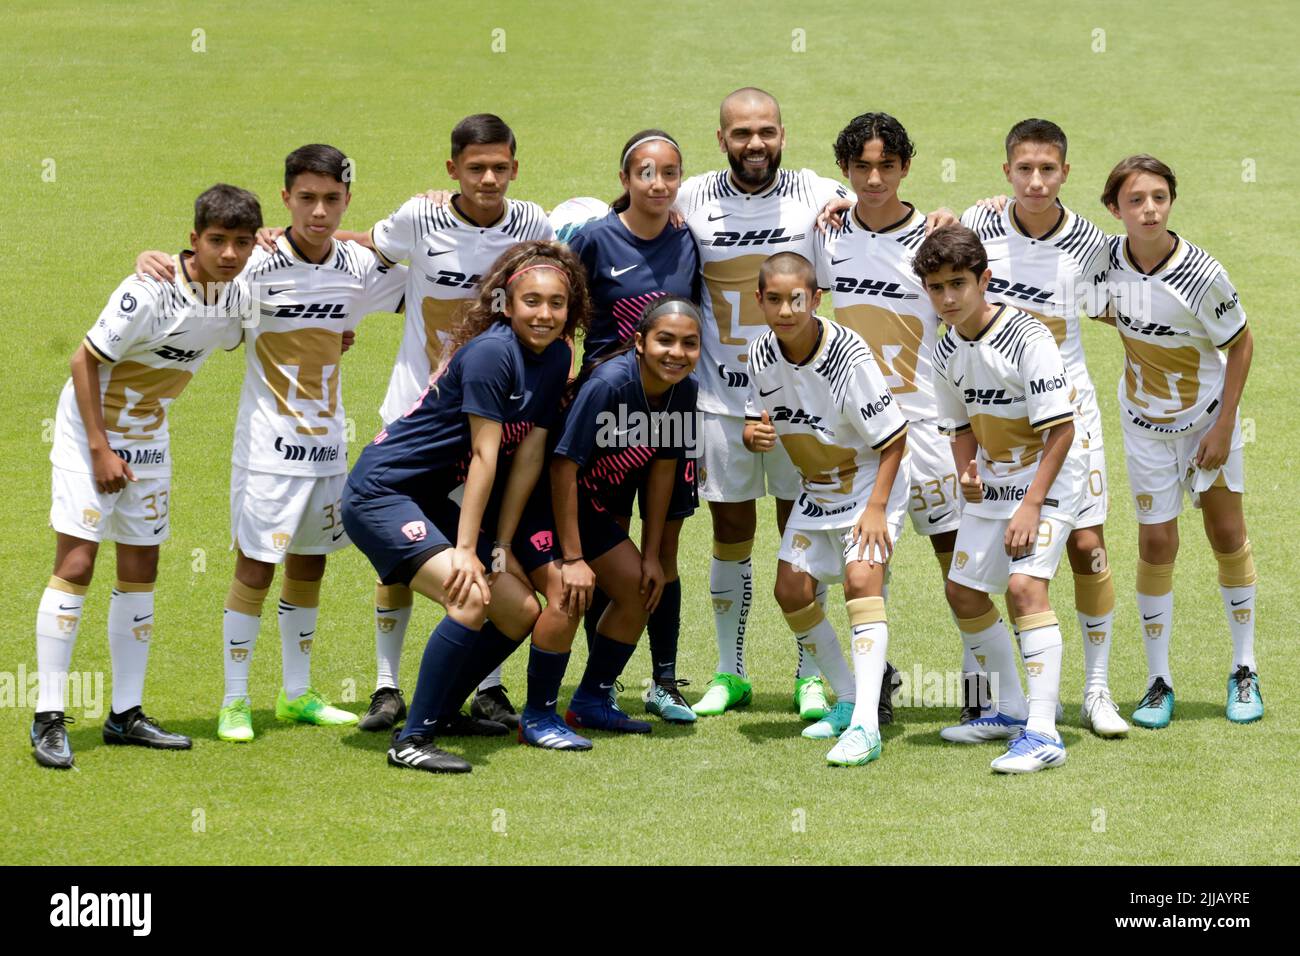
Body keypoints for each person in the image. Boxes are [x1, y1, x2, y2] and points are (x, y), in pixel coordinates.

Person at [136, 144, 408, 742]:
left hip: (330, 444)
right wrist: (157, 257)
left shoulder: (358, 266)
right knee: (255, 568)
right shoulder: (255, 263)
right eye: (306, 198)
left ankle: (296, 695)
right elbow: (198, 271)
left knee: (310, 565)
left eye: (331, 200)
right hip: (268, 449)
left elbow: (429, 285)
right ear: (285, 198)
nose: (319, 212)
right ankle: (235, 700)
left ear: (346, 202)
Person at [31, 184, 261, 768]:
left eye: (241, 242)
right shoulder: (148, 291)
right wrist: (100, 449)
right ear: (193, 240)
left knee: (142, 565)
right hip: (90, 435)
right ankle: (49, 715)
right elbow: (82, 359)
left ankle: (125, 715)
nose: (229, 254)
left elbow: (308, 243)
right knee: (78, 562)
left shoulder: (243, 295)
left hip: (149, 439)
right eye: (216, 241)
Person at [342, 240, 581, 772]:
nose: (544, 314)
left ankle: (442, 710)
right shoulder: (492, 353)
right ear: (506, 303)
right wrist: (470, 550)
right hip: (380, 493)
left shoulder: (559, 354)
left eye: (557, 303)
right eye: (532, 302)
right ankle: (411, 740)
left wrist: (501, 546)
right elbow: (483, 456)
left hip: (424, 499)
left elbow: (531, 455)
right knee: (469, 596)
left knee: (520, 609)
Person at [677, 87, 847, 718]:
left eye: (767, 132)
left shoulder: (815, 191)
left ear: (783, 133)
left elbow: (879, 205)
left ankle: (809, 673)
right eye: (742, 133)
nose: (755, 144)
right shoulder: (690, 195)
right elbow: (615, 214)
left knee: (802, 535)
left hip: (802, 404)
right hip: (721, 403)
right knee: (730, 532)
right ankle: (731, 670)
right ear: (721, 138)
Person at [960, 119, 1126, 736]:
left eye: (1047, 170)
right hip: (994, 413)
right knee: (990, 559)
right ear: (1006, 171)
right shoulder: (976, 230)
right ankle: (997, 700)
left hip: (1068, 413)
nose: (1035, 181)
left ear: (1065, 173)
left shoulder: (1089, 243)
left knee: (1087, 546)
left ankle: (1098, 690)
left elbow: (1127, 306)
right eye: (1023, 169)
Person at [1098, 155, 1261, 727]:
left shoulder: (1202, 273)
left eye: (1160, 197)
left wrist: (1222, 427)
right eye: (1137, 200)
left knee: (1226, 533)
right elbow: (1098, 307)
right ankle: (1157, 682)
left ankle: (1245, 668)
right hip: (1144, 426)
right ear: (1115, 208)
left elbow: (1241, 345)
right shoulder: (1104, 262)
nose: (1150, 209)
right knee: (1156, 545)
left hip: (1207, 424)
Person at [919, 224, 1083, 773]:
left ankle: (1044, 732)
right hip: (994, 482)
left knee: (1023, 587)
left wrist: (1031, 505)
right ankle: (1011, 711)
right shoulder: (944, 348)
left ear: (984, 280)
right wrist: (967, 470)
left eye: (958, 284)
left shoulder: (1028, 338)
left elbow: (1061, 430)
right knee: (964, 593)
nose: (947, 298)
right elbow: (960, 422)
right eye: (936, 287)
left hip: (1050, 479)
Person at [814, 112, 959, 721]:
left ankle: (986, 689)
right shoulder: (825, 235)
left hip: (928, 427)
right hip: (859, 430)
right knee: (868, 562)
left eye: (887, 166)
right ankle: (875, 685)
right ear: (844, 171)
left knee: (958, 560)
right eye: (861, 167)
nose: (874, 179)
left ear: (906, 167)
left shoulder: (936, 238)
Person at [509, 297, 703, 745]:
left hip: (585, 505)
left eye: (689, 344)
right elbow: (562, 467)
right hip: (545, 501)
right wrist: (574, 557)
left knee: (641, 587)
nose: (677, 352)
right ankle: (537, 715)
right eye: (665, 340)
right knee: (572, 593)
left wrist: (652, 555)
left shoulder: (685, 391)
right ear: (639, 342)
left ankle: (591, 701)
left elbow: (662, 468)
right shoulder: (609, 385)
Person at [744, 254, 908, 766]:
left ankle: (865, 726)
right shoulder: (758, 354)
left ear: (816, 299)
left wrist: (877, 509)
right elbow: (755, 422)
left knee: (862, 582)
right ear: (760, 301)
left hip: (868, 485)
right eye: (774, 299)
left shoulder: (848, 357)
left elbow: (894, 437)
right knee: (790, 589)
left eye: (797, 299)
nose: (786, 310)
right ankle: (847, 698)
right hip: (817, 490)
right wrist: (754, 435)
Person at [562, 129, 701, 722]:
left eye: (669, 173)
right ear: (624, 180)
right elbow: (561, 313)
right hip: (609, 413)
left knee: (661, 553)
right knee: (610, 549)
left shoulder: (688, 242)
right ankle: (604, 683)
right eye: (645, 172)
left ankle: (664, 681)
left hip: (669, 409)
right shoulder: (593, 239)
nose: (658, 184)